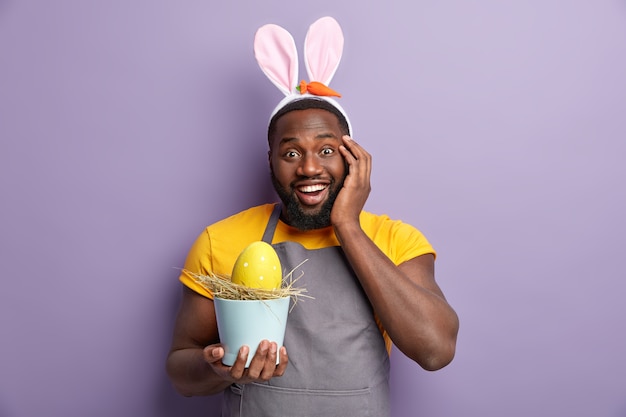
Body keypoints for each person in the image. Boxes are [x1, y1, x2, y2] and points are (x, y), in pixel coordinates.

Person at [166, 17, 459, 417]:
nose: (308, 169)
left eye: (326, 150)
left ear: (354, 156)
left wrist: (348, 227)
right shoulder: (222, 240)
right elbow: (181, 372)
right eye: (290, 153)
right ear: (270, 160)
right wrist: (215, 366)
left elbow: (435, 350)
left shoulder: (396, 240)